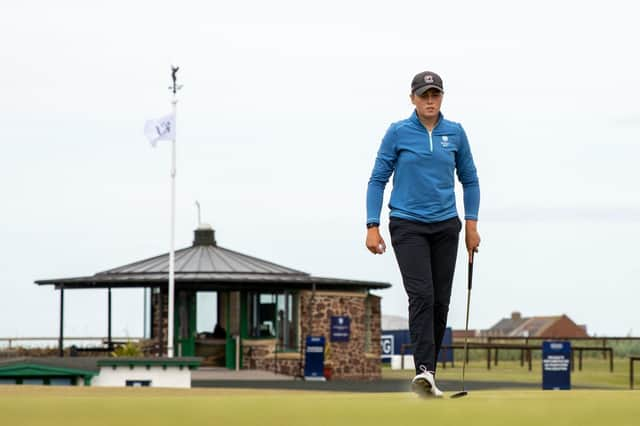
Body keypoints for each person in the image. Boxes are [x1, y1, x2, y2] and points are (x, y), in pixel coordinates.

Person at [365, 71, 480, 397]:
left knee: (441, 301)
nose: (430, 100)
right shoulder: (398, 132)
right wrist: (372, 225)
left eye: (435, 94)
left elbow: (470, 180)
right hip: (407, 224)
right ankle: (424, 371)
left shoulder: (455, 133)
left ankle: (429, 376)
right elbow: (377, 179)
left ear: (441, 97)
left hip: (446, 225)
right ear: (412, 98)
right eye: (424, 95)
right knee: (422, 295)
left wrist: (471, 226)